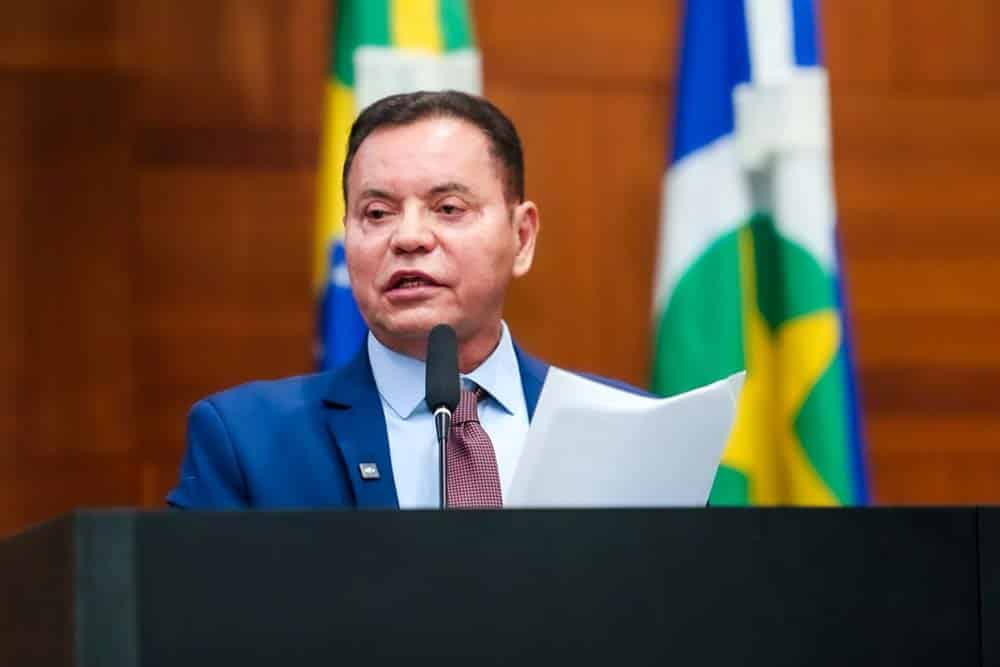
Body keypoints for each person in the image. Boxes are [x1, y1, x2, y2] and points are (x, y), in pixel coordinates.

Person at [168, 91, 642, 510]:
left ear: (521, 237)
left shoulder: (629, 430)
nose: (409, 237)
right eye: (377, 213)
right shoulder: (248, 443)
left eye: (448, 208)